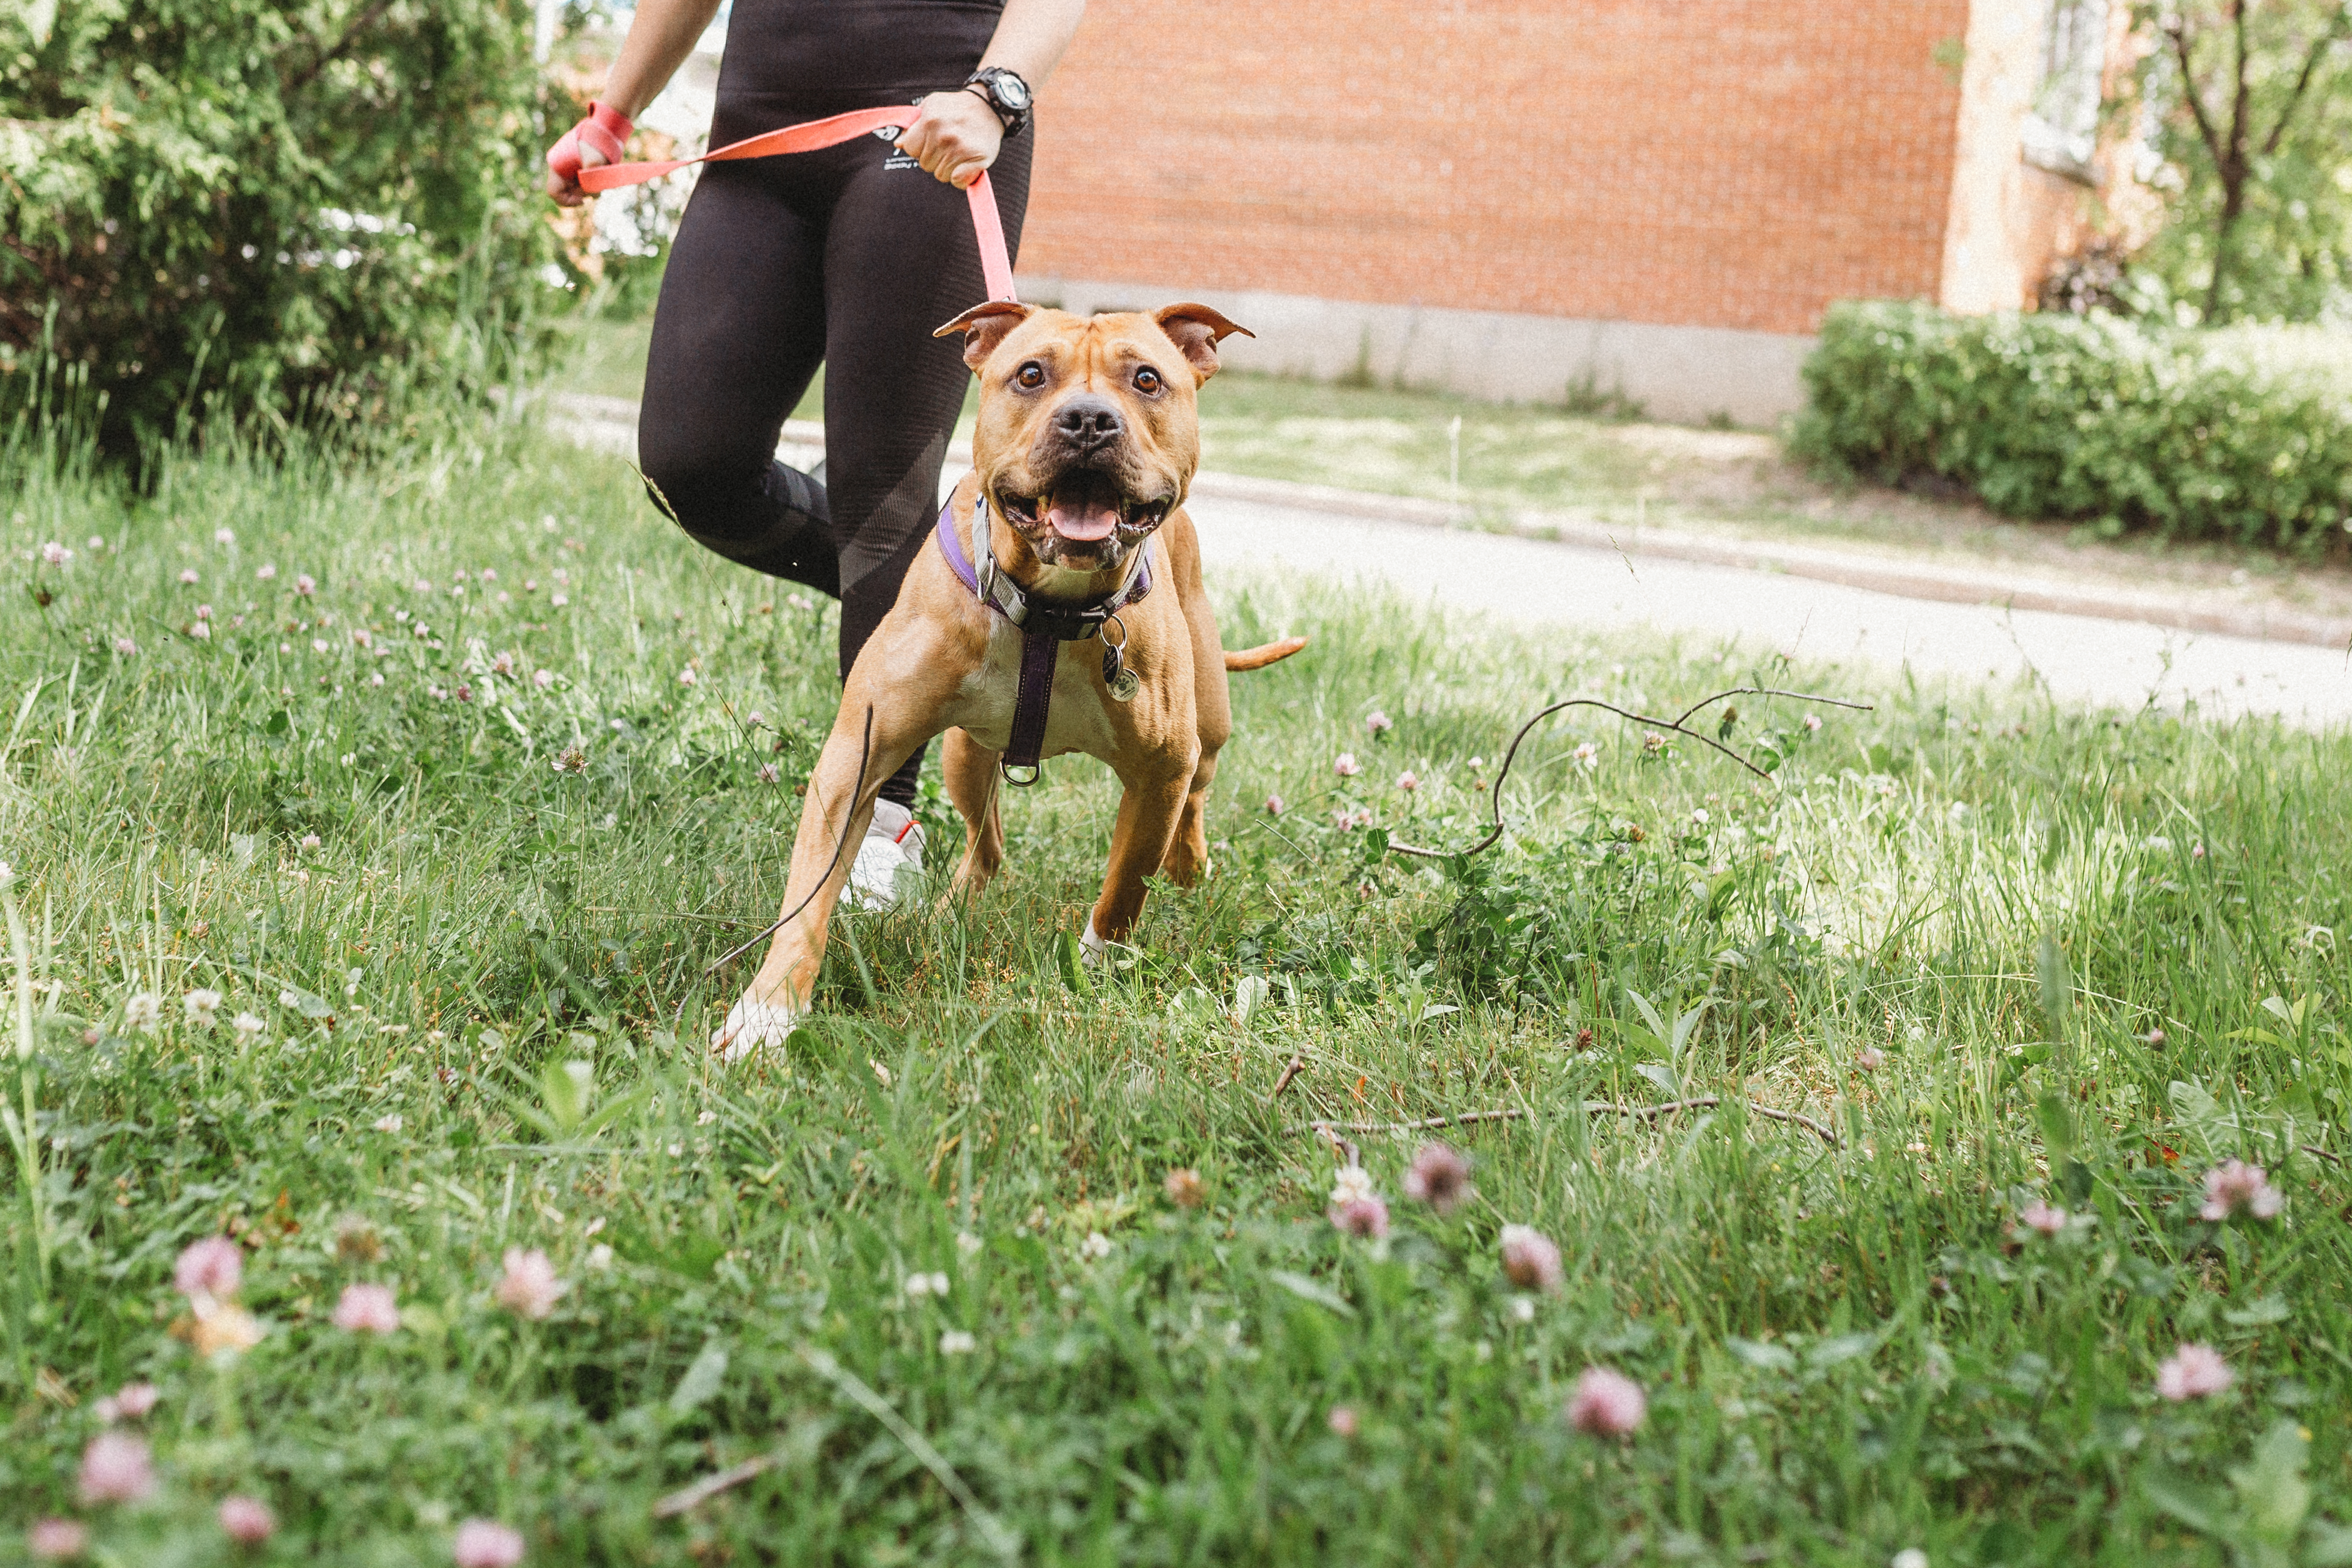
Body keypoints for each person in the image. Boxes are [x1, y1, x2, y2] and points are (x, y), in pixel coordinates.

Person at [547, 0, 1087, 903]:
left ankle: (884, 817)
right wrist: (612, 113)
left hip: (935, 126)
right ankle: (957, 593)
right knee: (691, 462)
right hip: (761, 130)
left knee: (884, 495)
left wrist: (994, 95)